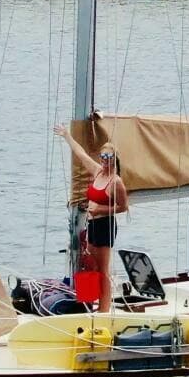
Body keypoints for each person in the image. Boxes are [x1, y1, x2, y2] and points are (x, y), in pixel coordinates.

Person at [52, 122, 129, 312]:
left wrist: (100, 211)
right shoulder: (98, 172)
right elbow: (81, 155)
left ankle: (104, 310)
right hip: (92, 224)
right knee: (91, 266)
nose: (104, 160)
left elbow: (123, 207)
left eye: (108, 157)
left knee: (103, 270)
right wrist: (67, 136)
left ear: (114, 159)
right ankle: (90, 302)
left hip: (105, 225)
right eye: (102, 156)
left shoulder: (115, 181)